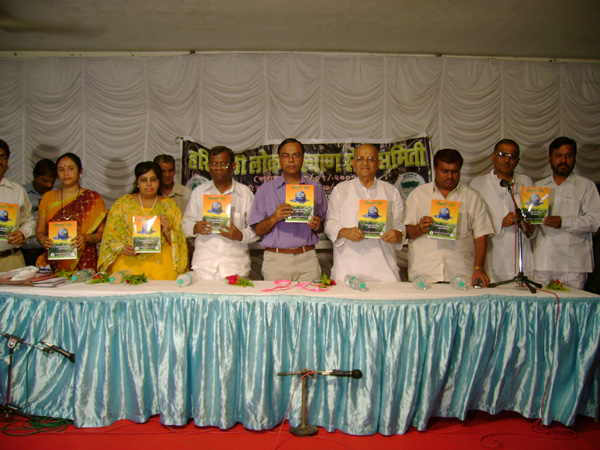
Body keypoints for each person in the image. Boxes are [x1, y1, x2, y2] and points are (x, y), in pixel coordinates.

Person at [404, 149, 494, 286]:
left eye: (455, 171)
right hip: (425, 275)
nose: (450, 176)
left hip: (461, 275)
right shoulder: (418, 195)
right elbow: (406, 232)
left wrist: (478, 268)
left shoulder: (471, 197)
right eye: (445, 171)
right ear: (435, 169)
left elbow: (481, 235)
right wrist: (420, 228)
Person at [249, 138, 327, 281]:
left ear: (303, 158)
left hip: (307, 259)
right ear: (279, 159)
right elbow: (258, 231)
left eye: (296, 155)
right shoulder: (266, 190)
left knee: (310, 296)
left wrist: (317, 225)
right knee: (276, 297)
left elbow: (322, 226)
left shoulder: (316, 189)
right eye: (285, 156)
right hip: (276, 261)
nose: (291, 160)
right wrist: (274, 217)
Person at [325, 144, 405, 282]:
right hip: (348, 268)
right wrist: (344, 231)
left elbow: (399, 223)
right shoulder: (340, 190)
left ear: (378, 164)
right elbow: (329, 223)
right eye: (360, 159)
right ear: (353, 163)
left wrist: (397, 234)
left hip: (384, 270)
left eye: (371, 159)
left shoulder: (391, 191)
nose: (365, 163)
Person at [98, 161, 187, 280]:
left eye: (153, 179)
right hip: (128, 263)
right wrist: (122, 247)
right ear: (137, 183)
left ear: (159, 182)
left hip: (161, 266)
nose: (149, 184)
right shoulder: (122, 204)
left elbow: (181, 242)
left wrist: (167, 232)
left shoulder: (170, 206)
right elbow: (109, 235)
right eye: (143, 180)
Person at [533, 137, 600, 289]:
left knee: (572, 304)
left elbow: (596, 221)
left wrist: (563, 222)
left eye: (568, 156)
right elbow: (533, 227)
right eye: (558, 156)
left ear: (574, 158)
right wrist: (528, 228)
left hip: (574, 265)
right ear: (550, 159)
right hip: (543, 263)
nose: (563, 160)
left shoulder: (586, 186)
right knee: (543, 303)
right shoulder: (538, 187)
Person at [182, 146, 257, 279]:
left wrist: (240, 235)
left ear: (233, 166)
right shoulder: (198, 192)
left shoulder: (245, 193)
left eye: (223, 164)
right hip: (204, 268)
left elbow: (256, 229)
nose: (218, 168)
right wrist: (195, 228)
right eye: (214, 164)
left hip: (235, 267)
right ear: (208, 166)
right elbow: (185, 225)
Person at [469, 139, 535, 283]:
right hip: (493, 255)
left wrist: (530, 227)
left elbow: (533, 217)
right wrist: (501, 222)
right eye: (502, 155)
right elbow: (473, 222)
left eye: (512, 156)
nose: (507, 160)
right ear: (493, 157)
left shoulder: (526, 182)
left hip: (522, 255)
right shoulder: (478, 184)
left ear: (517, 161)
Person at [35, 153, 107, 272]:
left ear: (80, 171)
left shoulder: (93, 199)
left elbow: (102, 234)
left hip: (84, 260)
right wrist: (43, 240)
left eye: (71, 168)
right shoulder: (48, 198)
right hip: (55, 260)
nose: (66, 173)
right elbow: (39, 232)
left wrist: (86, 237)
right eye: (61, 169)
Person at [0, 139, 36, 272]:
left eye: (2, 157)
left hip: (11, 260)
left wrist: (23, 233)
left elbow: (29, 220)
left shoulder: (17, 190)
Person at [22, 159, 57, 266]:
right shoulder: (21, 192)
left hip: (48, 252)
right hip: (24, 252)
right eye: (45, 181)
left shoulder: (57, 195)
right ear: (35, 176)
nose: (49, 185)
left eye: (52, 182)